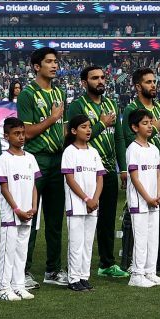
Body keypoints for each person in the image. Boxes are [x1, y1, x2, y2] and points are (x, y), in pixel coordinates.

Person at [15, 47, 69, 285]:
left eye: (55, 61)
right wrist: (52, 118)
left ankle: (53, 270)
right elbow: (26, 132)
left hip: (58, 160)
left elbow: (65, 130)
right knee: (31, 217)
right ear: (37, 67)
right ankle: (23, 271)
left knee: (56, 219)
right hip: (36, 160)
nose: (54, 65)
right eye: (49, 62)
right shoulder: (27, 94)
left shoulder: (59, 92)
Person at [66, 64, 123, 281]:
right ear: (84, 82)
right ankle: (76, 267)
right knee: (83, 220)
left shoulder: (111, 104)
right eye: (94, 78)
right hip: (85, 171)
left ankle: (106, 264)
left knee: (107, 219)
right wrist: (100, 124)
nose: (100, 81)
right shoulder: (77, 106)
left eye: (102, 77)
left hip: (108, 170)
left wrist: (123, 168)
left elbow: (118, 137)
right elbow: (75, 138)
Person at [0, 116, 38, 302]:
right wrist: (17, 209)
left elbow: (34, 185)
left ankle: (18, 285)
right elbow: (4, 187)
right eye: (16, 133)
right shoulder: (4, 159)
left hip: (28, 213)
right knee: (7, 250)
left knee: (21, 250)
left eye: (22, 133)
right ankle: (2, 287)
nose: (21, 137)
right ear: (6, 136)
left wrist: (34, 207)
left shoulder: (31, 158)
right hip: (12, 213)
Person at [60, 115, 105, 291]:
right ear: (73, 131)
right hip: (77, 205)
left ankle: (84, 276)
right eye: (83, 127)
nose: (88, 130)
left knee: (87, 243)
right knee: (76, 242)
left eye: (89, 127)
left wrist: (95, 199)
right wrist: (86, 199)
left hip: (93, 205)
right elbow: (70, 179)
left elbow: (100, 177)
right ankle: (73, 278)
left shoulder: (93, 152)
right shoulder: (69, 152)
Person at [122, 108, 160, 287]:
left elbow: (157, 175)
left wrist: (158, 195)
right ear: (134, 127)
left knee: (152, 236)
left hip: (154, 201)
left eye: (150, 122)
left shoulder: (154, 148)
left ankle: (150, 271)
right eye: (145, 123)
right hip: (139, 201)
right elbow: (135, 177)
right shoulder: (133, 149)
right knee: (140, 238)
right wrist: (147, 197)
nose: (149, 126)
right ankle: (137, 275)